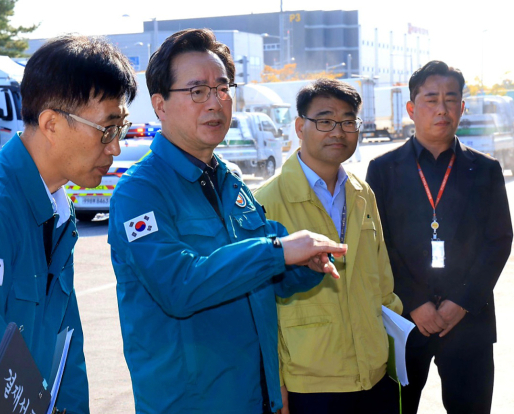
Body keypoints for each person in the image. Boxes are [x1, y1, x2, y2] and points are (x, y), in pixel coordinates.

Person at [108, 28, 348, 414]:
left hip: (258, 398)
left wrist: (307, 264)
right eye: (197, 91)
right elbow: (179, 286)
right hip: (191, 404)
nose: (215, 102)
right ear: (160, 105)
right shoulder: (140, 193)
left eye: (223, 88)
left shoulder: (230, 181)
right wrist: (278, 252)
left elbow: (270, 275)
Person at [0, 35, 138, 413]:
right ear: (51, 123)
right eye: (107, 129)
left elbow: (65, 345)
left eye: (120, 128)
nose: (116, 147)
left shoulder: (57, 208)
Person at [366, 60, 512, 414]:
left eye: (451, 99)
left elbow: (499, 241)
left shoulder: (486, 169)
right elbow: (375, 244)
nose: (442, 109)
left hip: (468, 319)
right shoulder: (383, 170)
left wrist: (460, 301)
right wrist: (414, 301)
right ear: (412, 109)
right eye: (431, 99)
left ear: (462, 107)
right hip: (403, 320)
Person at [254, 78, 402, 414]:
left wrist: (390, 351)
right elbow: (260, 306)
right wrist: (275, 381)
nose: (338, 131)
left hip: (375, 375)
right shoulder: (266, 201)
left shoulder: (363, 193)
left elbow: (381, 280)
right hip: (310, 383)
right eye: (324, 120)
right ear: (299, 127)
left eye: (349, 121)